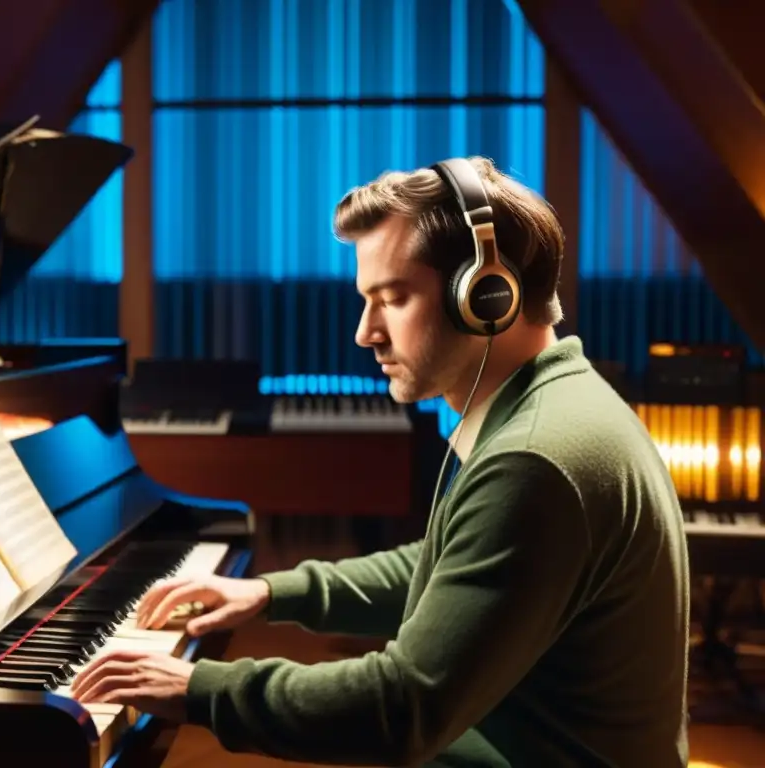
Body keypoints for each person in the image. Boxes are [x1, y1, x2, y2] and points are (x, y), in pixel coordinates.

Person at [71, 157, 691, 767]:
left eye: (392, 298)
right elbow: (450, 567)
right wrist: (269, 593)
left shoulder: (533, 459)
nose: (365, 332)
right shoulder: (553, 405)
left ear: (484, 295)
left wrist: (196, 687)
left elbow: (401, 708)